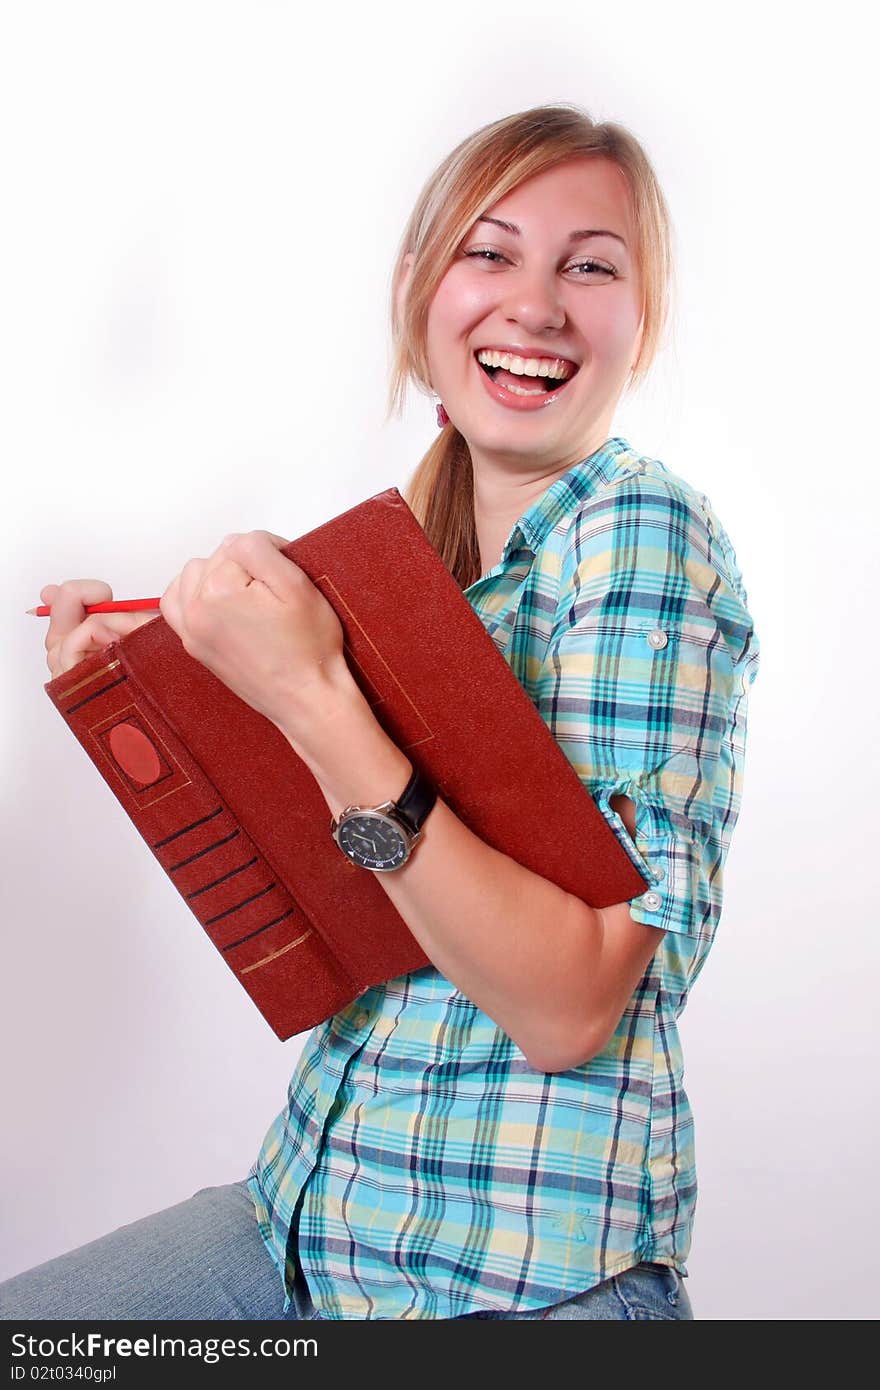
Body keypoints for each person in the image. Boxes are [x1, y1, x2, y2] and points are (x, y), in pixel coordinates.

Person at [1, 103, 760, 1322]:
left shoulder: (643, 535)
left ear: (643, 319)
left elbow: (569, 1005)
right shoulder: (416, 566)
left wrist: (307, 687)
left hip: (511, 1278)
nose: (537, 304)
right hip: (305, 1210)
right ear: (418, 292)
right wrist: (148, 691)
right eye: (491, 251)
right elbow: (324, 895)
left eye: (591, 265)